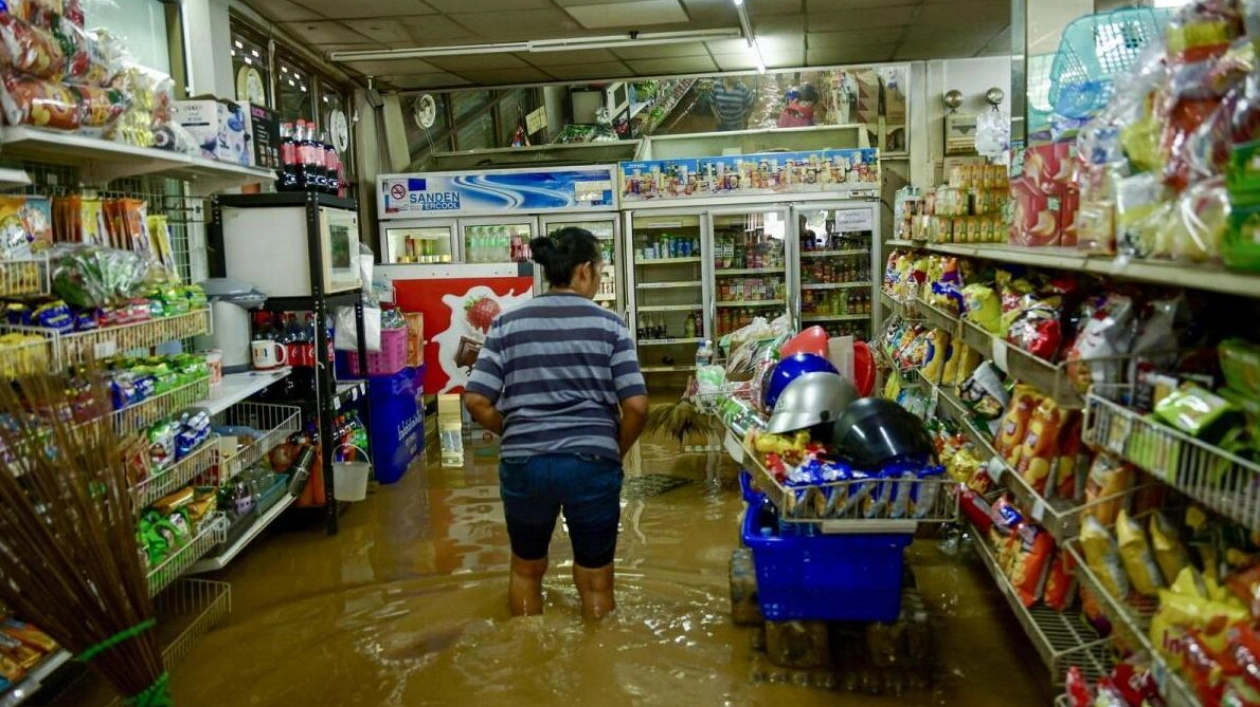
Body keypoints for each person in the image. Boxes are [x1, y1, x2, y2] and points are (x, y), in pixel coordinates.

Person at [464, 228, 648, 620]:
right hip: (591, 462)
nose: (597, 280)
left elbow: (477, 400)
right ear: (584, 271)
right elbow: (636, 405)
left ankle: (528, 656)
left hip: (525, 464)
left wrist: (515, 431)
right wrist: (614, 450)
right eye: (598, 272)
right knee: (597, 579)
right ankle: (598, 666)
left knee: (527, 570)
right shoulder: (610, 326)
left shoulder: (506, 325)